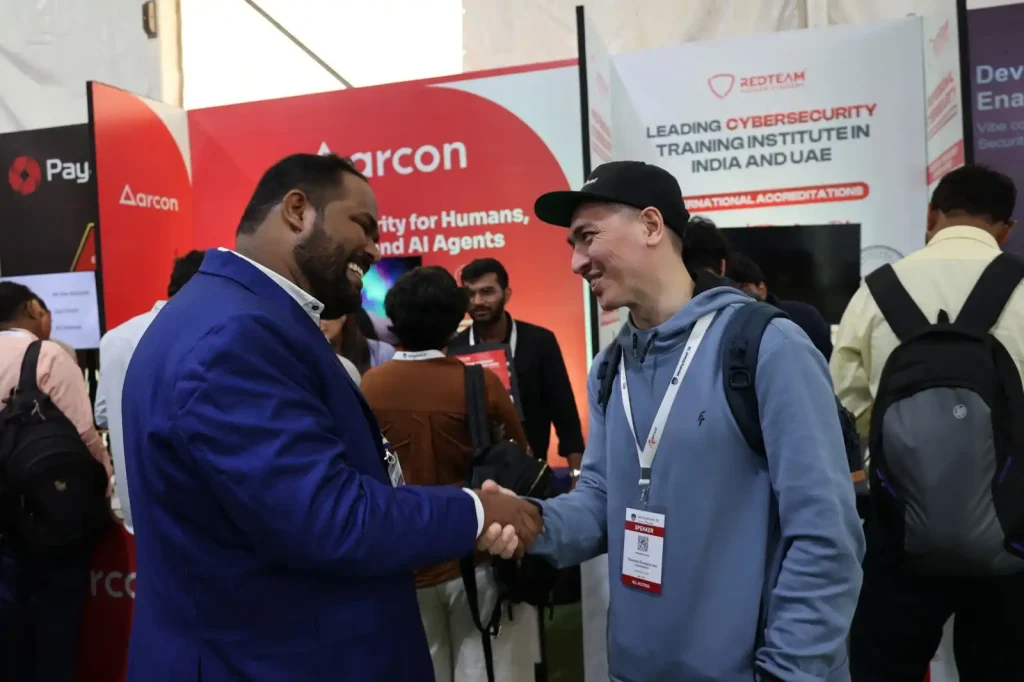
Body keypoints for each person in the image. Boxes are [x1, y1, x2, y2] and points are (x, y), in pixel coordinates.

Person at [119, 153, 542, 682]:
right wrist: (477, 511)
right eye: (362, 225)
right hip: (266, 658)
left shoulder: (234, 315)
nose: (375, 248)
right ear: (298, 209)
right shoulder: (235, 334)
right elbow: (328, 517)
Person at [485, 160, 864, 682]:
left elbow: (826, 537)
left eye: (587, 237)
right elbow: (600, 499)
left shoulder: (766, 347)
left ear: (651, 226)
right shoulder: (609, 367)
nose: (576, 262)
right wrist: (531, 520)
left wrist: (788, 673)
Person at [832, 164, 1024, 681]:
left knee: (884, 667)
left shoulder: (876, 291)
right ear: (1005, 228)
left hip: (901, 529)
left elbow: (846, 410)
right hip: (1014, 534)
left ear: (933, 214)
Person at [361, 266, 537, 682]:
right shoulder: (480, 383)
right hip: (476, 557)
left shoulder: (370, 387)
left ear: (395, 321)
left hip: (403, 560)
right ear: (455, 320)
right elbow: (521, 456)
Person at [0, 282, 113, 682]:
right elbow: (85, 437)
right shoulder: (46, 354)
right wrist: (107, 492)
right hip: (51, 517)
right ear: (33, 309)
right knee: (55, 632)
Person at [95, 249, 205, 533]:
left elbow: (103, 414)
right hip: (190, 515)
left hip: (136, 508)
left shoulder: (115, 338)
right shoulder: (205, 335)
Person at [451, 258, 585, 474]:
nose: (477, 301)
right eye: (470, 294)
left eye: (487, 292)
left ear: (507, 294)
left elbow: (564, 411)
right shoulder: (455, 348)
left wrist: (576, 475)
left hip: (530, 471)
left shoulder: (540, 341)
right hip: (473, 475)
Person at [728, 251, 834, 359]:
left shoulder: (806, 319)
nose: (733, 297)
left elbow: (830, 368)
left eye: (741, 288)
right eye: (726, 290)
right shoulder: (719, 329)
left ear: (761, 289)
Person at [320, 310, 395, 374]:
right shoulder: (311, 356)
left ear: (344, 314)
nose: (317, 322)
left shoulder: (381, 352)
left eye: (323, 314)